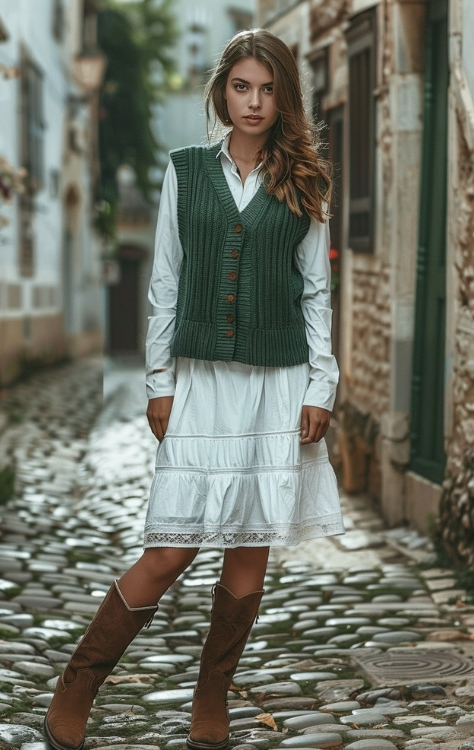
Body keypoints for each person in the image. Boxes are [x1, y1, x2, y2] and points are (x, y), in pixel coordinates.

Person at [44, 28, 345, 750]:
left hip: (277, 386)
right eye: (242, 86)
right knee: (171, 549)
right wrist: (158, 381)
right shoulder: (184, 170)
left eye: (268, 89)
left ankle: (211, 699)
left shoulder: (304, 179)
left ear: (284, 98)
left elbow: (316, 294)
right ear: (222, 91)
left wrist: (321, 387)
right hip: (201, 382)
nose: (254, 101)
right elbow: (166, 284)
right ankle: (79, 680)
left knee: (249, 550)